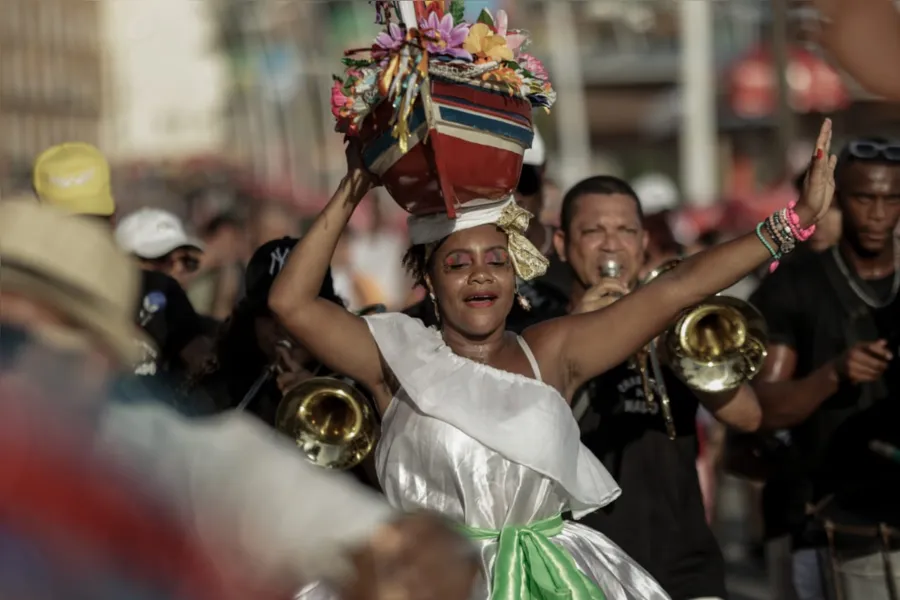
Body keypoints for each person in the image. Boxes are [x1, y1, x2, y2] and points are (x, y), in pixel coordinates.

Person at [269, 119, 838, 599]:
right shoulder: (392, 355)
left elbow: (675, 290)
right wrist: (357, 182)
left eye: (495, 258)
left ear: (516, 274)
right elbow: (290, 302)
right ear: (429, 280)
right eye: (457, 263)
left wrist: (793, 221)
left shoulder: (551, 352)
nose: (480, 274)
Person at [1, 196, 477, 600]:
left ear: (97, 362)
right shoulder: (218, 390)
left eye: (11, 342)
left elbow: (410, 551)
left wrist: (404, 560)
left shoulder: (166, 455)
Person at [510, 175, 762, 600]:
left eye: (626, 231)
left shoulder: (668, 322)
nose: (612, 246)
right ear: (563, 242)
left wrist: (684, 353)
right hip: (587, 572)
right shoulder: (541, 334)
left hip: (687, 568)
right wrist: (580, 333)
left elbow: (748, 416)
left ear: (644, 241)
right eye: (594, 231)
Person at [751, 136, 900, 600]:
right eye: (863, 198)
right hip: (831, 524)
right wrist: (833, 375)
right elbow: (763, 408)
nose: (877, 213)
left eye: (892, 199)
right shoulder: (797, 285)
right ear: (838, 198)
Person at [32, 142, 213, 394]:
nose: (80, 239)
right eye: (68, 227)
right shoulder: (17, 302)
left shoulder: (158, 292)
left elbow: (204, 363)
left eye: (91, 223)